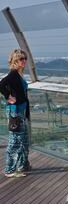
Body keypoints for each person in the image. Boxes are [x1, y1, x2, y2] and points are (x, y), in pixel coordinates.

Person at [0, 49, 31, 178]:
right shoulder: (13, 74)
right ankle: (9, 169)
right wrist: (8, 96)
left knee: (22, 139)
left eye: (24, 58)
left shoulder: (18, 74)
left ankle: (22, 165)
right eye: (20, 59)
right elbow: (1, 84)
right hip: (15, 112)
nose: (23, 61)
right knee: (15, 140)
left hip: (20, 111)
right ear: (15, 61)